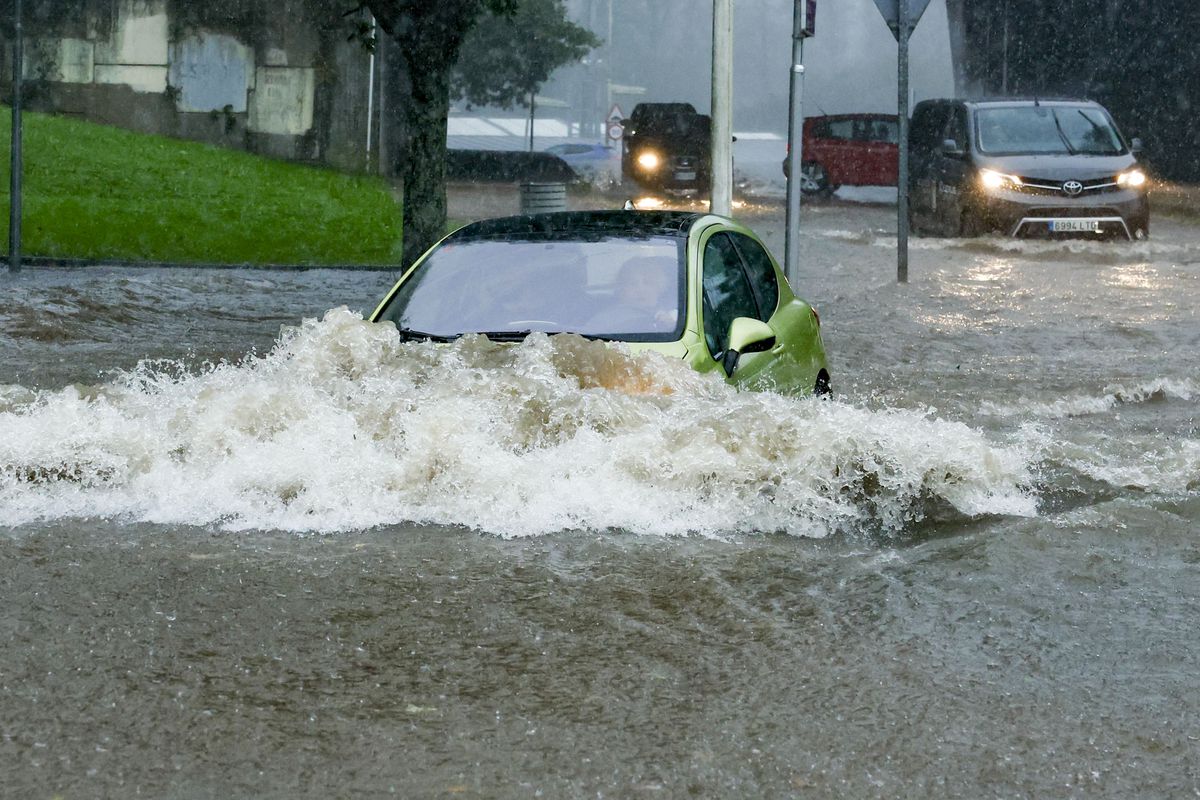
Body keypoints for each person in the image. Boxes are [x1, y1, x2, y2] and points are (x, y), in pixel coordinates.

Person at [584, 255, 678, 334]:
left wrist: (670, 325)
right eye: (632, 284)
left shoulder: (676, 318)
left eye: (648, 283)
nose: (641, 290)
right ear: (621, 289)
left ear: (660, 288)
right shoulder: (606, 320)